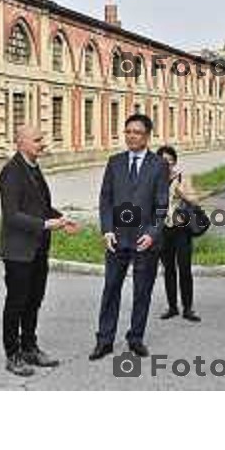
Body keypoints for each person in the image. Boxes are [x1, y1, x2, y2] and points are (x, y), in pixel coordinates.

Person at [0, 125, 78, 376]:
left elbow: (40, 205)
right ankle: (13, 355)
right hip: (18, 252)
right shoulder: (11, 172)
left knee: (34, 301)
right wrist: (44, 224)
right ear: (20, 143)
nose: (42, 144)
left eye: (41, 139)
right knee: (17, 303)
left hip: (38, 249)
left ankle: (30, 347)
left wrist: (60, 218)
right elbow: (12, 216)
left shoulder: (34, 167)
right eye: (37, 140)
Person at [89, 114, 169, 360]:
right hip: (118, 239)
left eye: (137, 132)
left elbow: (162, 205)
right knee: (111, 289)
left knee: (142, 291)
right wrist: (107, 229)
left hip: (145, 240)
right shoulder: (115, 162)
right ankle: (104, 340)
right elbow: (106, 199)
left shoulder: (158, 165)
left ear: (147, 136)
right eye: (128, 132)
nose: (131, 136)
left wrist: (153, 234)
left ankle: (136, 338)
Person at [156, 145, 201, 322]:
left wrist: (181, 192)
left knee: (184, 268)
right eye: (162, 161)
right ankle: (172, 307)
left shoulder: (183, 178)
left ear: (174, 162)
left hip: (182, 229)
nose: (166, 164)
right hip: (163, 229)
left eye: (169, 161)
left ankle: (188, 308)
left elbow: (195, 200)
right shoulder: (154, 180)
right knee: (168, 269)